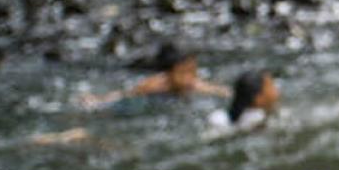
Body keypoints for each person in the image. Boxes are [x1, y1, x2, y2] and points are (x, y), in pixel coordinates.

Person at [82, 41, 230, 109]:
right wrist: (99, 100)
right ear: (168, 73)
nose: (190, 77)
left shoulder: (193, 84)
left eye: (193, 71)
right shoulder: (155, 85)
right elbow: (125, 95)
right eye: (184, 72)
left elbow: (220, 91)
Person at [208, 69, 280, 132]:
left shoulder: (222, 116)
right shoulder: (258, 118)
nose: (276, 90)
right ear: (258, 99)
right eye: (271, 86)